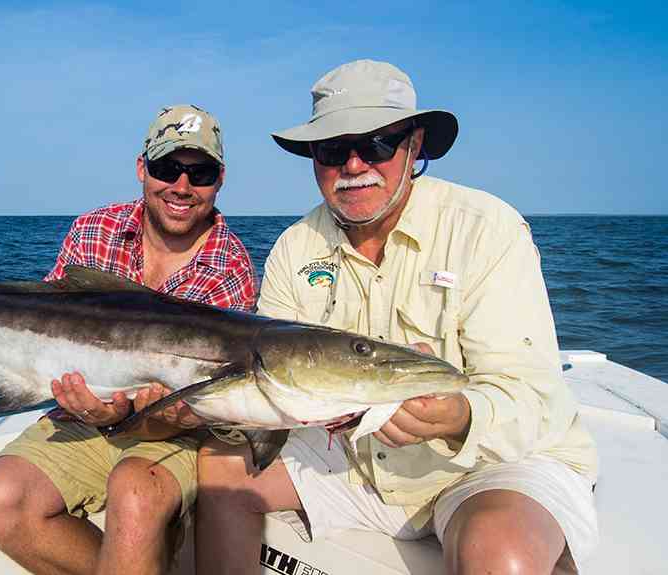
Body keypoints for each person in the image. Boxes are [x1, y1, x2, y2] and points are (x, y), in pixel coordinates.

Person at [195, 60, 599, 574]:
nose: (355, 164)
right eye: (333, 149)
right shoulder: (295, 248)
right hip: (353, 458)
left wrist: (458, 416)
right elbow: (273, 387)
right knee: (219, 472)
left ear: (415, 145)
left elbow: (530, 395)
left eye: (379, 143)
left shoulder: (487, 229)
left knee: (501, 551)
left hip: (487, 464)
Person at [0, 104, 257, 575]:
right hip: (79, 410)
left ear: (220, 179)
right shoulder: (93, 229)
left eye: (200, 173)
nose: (182, 188)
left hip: (176, 429)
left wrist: (129, 412)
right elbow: (39, 325)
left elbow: (207, 408)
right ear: (142, 168)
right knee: (0, 499)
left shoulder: (231, 265)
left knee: (135, 492)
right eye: (167, 168)